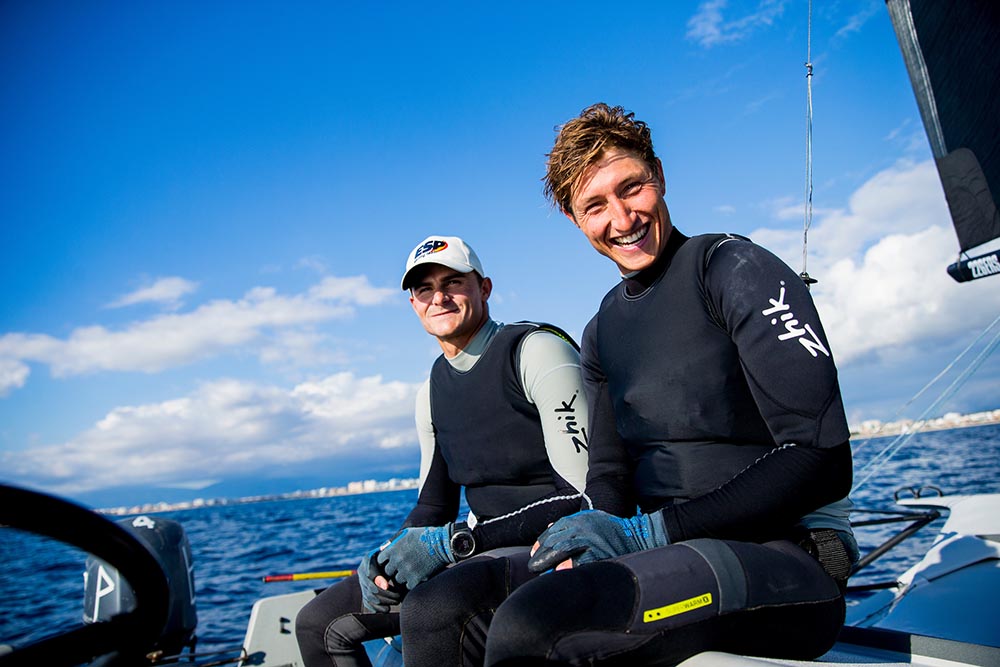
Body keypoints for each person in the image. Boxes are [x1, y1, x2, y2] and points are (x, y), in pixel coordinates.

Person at [482, 103, 858, 667]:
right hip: (667, 550)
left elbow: (822, 457)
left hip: (785, 560)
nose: (622, 218)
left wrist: (645, 536)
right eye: (595, 205)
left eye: (631, 188)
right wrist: (600, 531)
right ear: (573, 219)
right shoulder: (602, 329)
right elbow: (608, 472)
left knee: (535, 625)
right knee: (449, 604)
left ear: (658, 174)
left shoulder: (734, 270)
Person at [295, 235, 590, 667]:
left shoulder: (536, 351)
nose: (439, 298)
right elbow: (433, 506)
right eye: (424, 289)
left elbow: (581, 499)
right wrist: (385, 556)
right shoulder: (430, 393)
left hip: (554, 548)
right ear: (413, 304)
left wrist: (454, 545)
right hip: (480, 549)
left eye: (453, 282)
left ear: (484, 288)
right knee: (318, 623)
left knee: (432, 609)